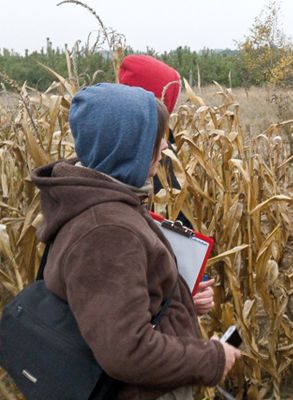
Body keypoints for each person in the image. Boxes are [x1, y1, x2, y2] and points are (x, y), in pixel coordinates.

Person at [32, 83, 240, 399]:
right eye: (156, 142)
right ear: (130, 148)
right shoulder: (106, 232)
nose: (163, 151)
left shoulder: (98, 200)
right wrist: (212, 358)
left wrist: (180, 302)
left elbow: (107, 307)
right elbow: (126, 350)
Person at [118, 54, 215, 316]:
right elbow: (173, 221)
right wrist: (184, 294)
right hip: (165, 285)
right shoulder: (146, 156)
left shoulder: (131, 146)